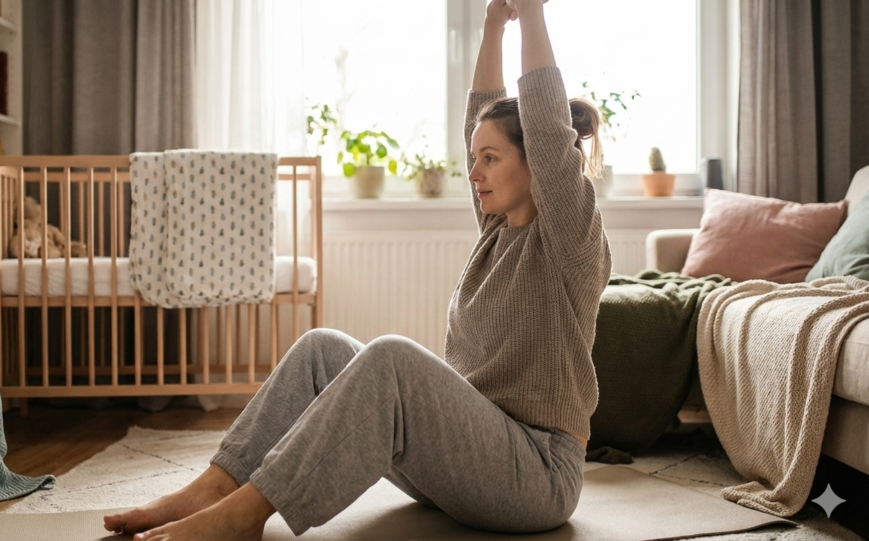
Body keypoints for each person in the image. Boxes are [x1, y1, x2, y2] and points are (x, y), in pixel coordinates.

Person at [103, 0, 611, 538]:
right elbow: (480, 111)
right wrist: (490, 25)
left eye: (491, 159)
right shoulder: (496, 234)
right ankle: (215, 486)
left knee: (391, 355)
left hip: (537, 474)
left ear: (538, 165)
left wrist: (530, 13)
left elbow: (547, 128)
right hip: (471, 459)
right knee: (323, 348)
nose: (474, 172)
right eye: (472, 159)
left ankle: (244, 516)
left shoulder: (569, 239)